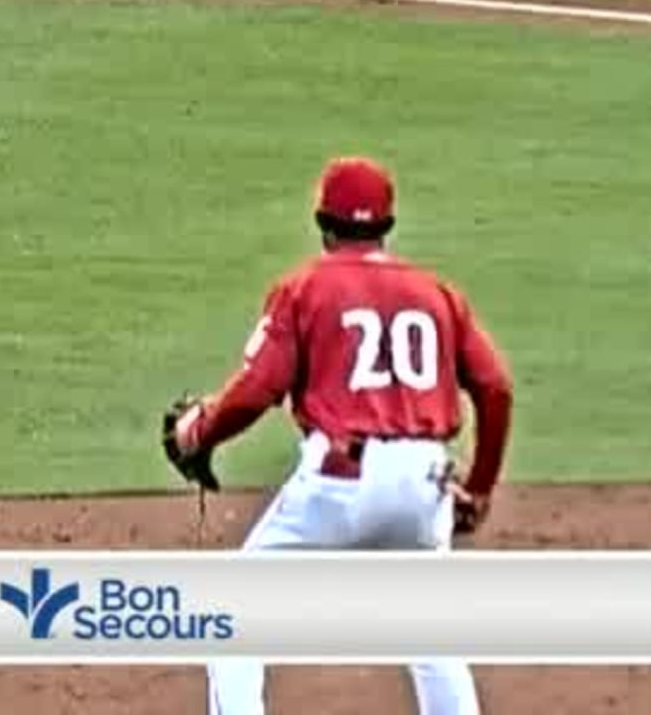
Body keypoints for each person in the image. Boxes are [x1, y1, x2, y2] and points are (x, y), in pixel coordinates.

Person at [161, 157, 512, 715]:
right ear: (387, 226)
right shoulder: (437, 293)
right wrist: (484, 485)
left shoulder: (304, 288)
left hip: (342, 478)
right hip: (427, 480)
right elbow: (495, 388)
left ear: (324, 222)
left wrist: (196, 431)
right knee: (433, 637)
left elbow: (255, 391)